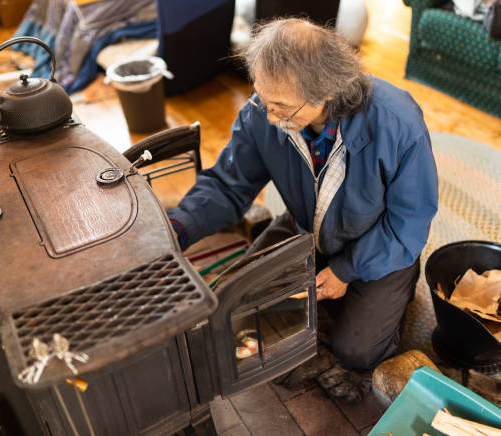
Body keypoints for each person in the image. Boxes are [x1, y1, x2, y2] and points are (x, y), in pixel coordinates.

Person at [167, 18, 438, 400]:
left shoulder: (398, 123)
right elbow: (229, 184)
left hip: (383, 244)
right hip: (307, 229)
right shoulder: (264, 112)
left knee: (357, 352)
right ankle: (326, 303)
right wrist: (179, 226)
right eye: (263, 97)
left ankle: (395, 288)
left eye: (283, 107)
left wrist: (347, 270)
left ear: (326, 91)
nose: (271, 116)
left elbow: (410, 221)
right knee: (235, 300)